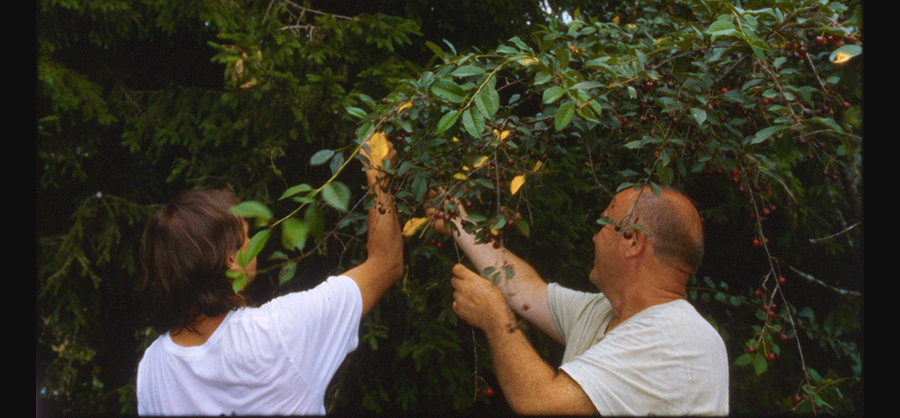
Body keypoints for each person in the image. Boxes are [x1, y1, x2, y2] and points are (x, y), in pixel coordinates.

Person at [136, 135, 402, 415]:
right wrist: (378, 172)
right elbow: (386, 263)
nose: (255, 243)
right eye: (248, 236)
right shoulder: (280, 330)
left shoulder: (153, 368)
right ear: (232, 262)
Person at [430, 185, 729, 415]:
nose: (594, 237)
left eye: (605, 223)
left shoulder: (676, 339)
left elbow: (541, 402)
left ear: (632, 242)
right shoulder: (605, 312)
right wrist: (460, 223)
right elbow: (523, 290)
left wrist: (496, 319)